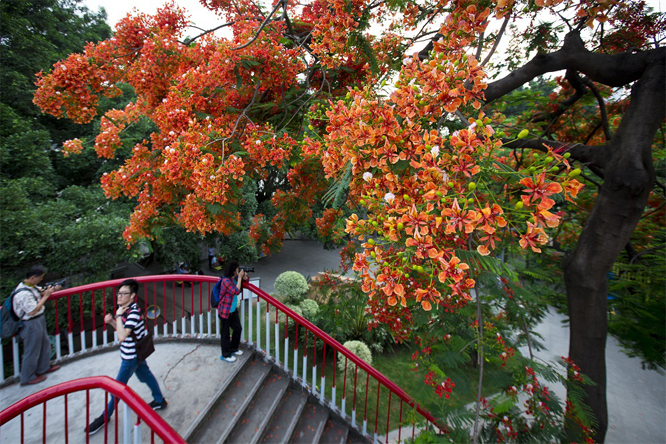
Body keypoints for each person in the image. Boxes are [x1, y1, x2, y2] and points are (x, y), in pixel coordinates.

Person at [85, 279, 167, 435]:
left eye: (124, 294)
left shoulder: (133, 312)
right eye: (119, 293)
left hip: (131, 358)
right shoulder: (125, 309)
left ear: (133, 295)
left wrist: (116, 316)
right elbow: (123, 332)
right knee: (146, 376)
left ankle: (104, 417)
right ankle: (159, 400)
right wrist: (112, 321)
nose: (119, 296)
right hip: (135, 354)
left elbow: (122, 337)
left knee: (116, 389)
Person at [12, 265, 61, 386]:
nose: (41, 279)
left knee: (44, 344)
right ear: (33, 277)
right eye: (40, 277)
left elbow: (41, 292)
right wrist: (46, 296)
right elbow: (32, 311)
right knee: (32, 349)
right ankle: (27, 377)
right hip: (30, 323)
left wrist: (52, 290)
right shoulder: (22, 294)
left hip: (38, 320)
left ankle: (43, 367)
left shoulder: (31, 286)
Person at [218, 260, 247, 363]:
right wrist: (240, 278)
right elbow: (236, 291)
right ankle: (225, 355)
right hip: (225, 311)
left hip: (232, 310)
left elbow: (242, 285)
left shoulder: (233, 279)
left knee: (238, 328)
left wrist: (244, 278)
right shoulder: (226, 281)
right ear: (233, 270)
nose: (238, 270)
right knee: (225, 334)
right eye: (237, 269)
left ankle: (233, 349)